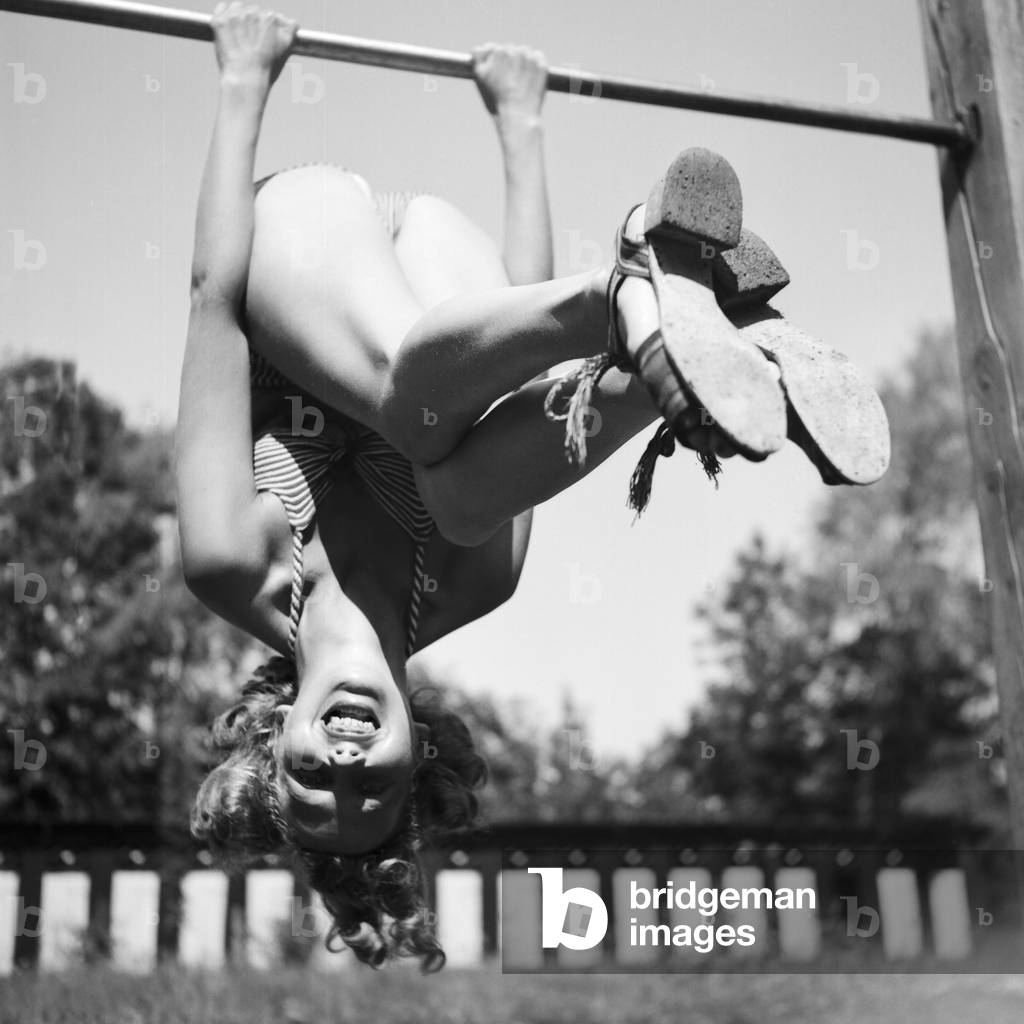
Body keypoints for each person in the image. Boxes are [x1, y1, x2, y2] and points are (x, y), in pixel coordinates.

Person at [176, 3, 886, 970]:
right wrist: (525, 123)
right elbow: (524, 372)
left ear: (273, 748)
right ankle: (672, 359)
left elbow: (214, 296)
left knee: (419, 422)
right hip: (444, 273)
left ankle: (624, 303)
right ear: (415, 759)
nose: (341, 770)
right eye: (369, 793)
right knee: (466, 497)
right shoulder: (472, 586)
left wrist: (240, 81)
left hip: (302, 237)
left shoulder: (229, 559)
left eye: (310, 788)